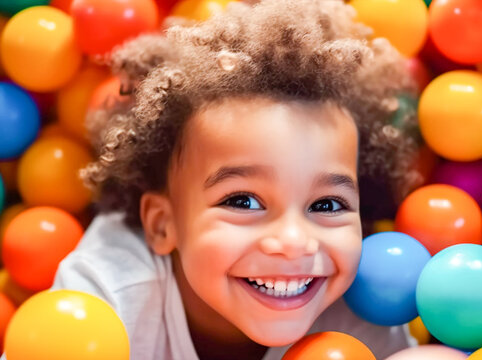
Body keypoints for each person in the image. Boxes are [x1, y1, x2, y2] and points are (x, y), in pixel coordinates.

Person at [39, 1, 422, 359]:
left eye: (326, 205)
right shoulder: (109, 300)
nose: (293, 243)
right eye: (242, 201)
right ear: (162, 223)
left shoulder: (359, 310)